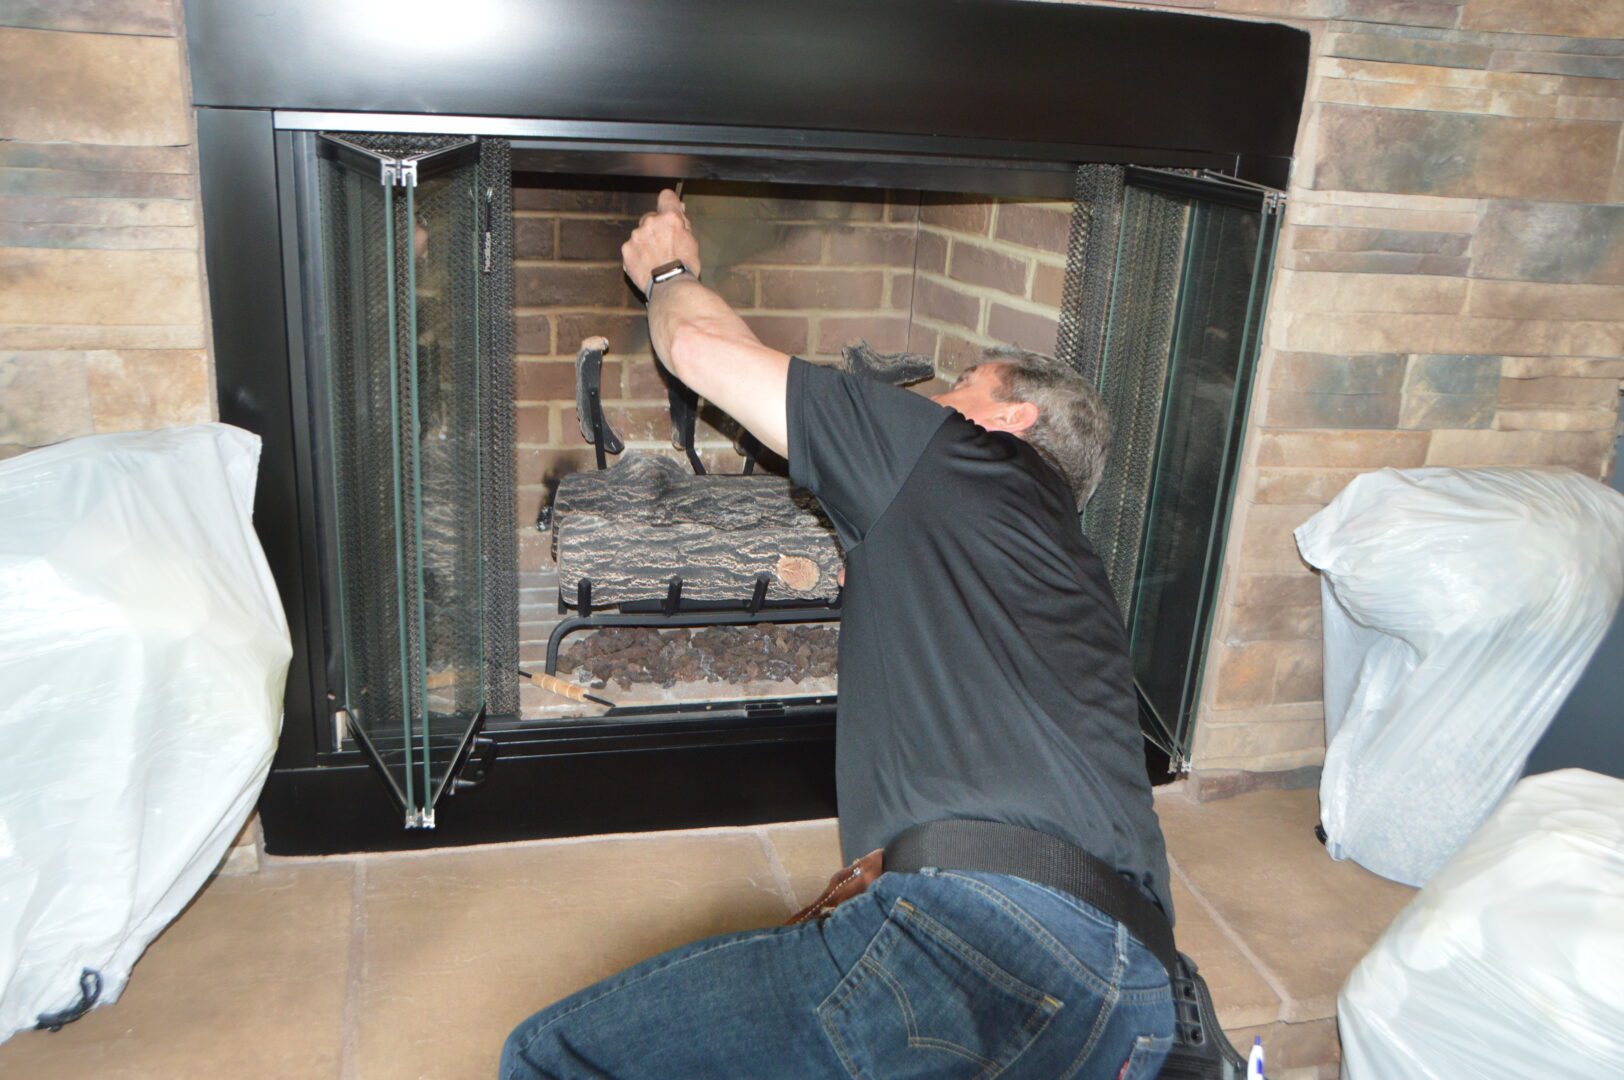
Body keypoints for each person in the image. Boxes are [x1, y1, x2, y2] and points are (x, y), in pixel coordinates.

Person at [501, 190, 1175, 1080]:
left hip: (980, 946)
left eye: (957, 386)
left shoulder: (961, 456)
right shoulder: (1063, 568)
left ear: (1011, 420)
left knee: (556, 1057)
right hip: (1142, 1008)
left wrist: (668, 270)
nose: (932, 397)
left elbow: (702, 350)